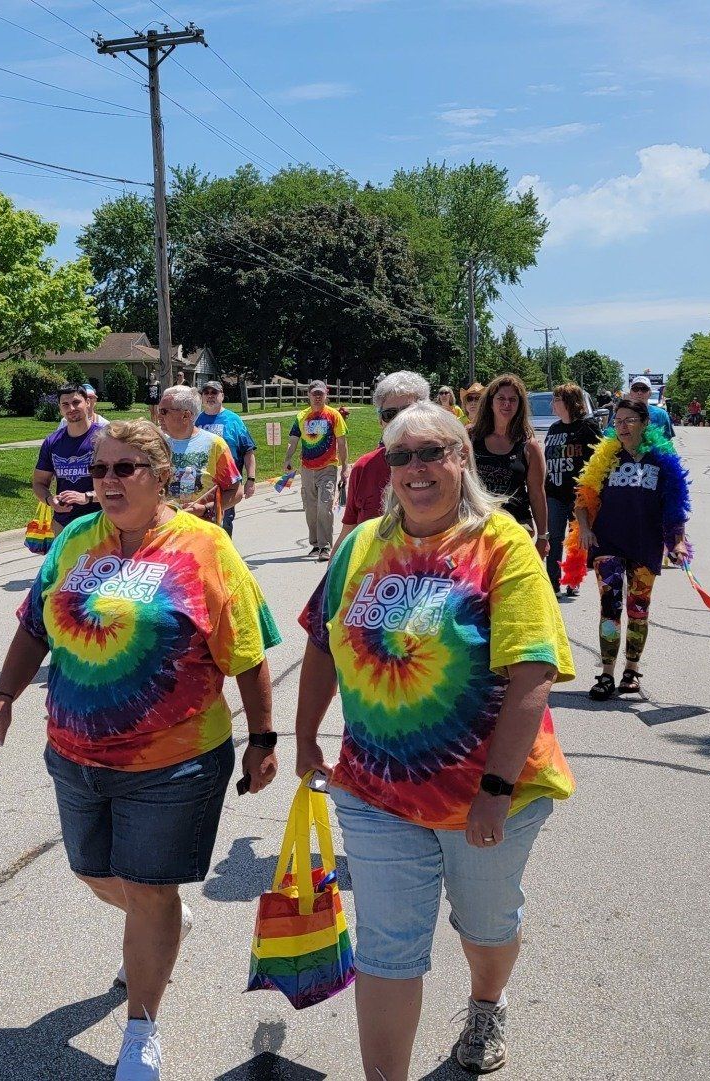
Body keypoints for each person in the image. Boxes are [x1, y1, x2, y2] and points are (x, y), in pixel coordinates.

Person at [0, 419, 280, 1081]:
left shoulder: (204, 548)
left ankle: (141, 1028)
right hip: (76, 752)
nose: (106, 481)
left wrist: (262, 739)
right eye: (99, 468)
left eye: (123, 469)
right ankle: (166, 916)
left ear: (160, 474)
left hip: (175, 763)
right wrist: (3, 695)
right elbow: (35, 626)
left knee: (148, 890)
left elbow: (248, 653)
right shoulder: (75, 541)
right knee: (91, 869)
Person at [294, 402, 575, 1080]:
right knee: (386, 950)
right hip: (376, 789)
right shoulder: (361, 544)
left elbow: (532, 673)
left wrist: (496, 791)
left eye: (432, 453)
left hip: (486, 791)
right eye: (401, 456)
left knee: (486, 925)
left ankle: (487, 998)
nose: (416, 469)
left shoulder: (500, 544)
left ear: (461, 459)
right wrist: (304, 736)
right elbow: (321, 642)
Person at [575, 398, 691, 700]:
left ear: (644, 423)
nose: (622, 426)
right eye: (618, 421)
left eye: (629, 420)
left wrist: (676, 542)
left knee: (638, 609)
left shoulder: (661, 461)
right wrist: (585, 529)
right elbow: (584, 499)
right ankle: (606, 674)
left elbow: (674, 507)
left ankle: (631, 670)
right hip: (607, 542)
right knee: (609, 608)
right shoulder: (606, 457)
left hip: (645, 543)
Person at [335, 371, 429, 552]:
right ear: (380, 420)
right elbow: (348, 533)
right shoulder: (364, 467)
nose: (399, 420)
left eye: (408, 411)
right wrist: (331, 578)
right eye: (390, 414)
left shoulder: (443, 464)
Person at [469, 374, 550, 550]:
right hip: (477, 526)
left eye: (513, 399)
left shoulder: (528, 445)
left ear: (520, 405)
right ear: (490, 402)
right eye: (501, 398)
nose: (507, 404)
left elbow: (537, 493)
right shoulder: (470, 437)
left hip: (517, 527)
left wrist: (543, 536)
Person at [543, 382, 604, 597]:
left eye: (557, 399)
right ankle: (552, 583)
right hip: (554, 492)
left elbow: (600, 459)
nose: (553, 404)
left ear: (570, 402)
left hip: (579, 494)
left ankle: (573, 580)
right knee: (554, 538)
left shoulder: (587, 427)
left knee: (577, 539)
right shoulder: (554, 428)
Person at [156, 385, 240, 526]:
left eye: (164, 412)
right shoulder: (157, 444)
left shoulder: (215, 445)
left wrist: (206, 509)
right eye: (159, 411)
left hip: (202, 532)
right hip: (164, 530)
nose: (159, 416)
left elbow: (236, 491)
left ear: (186, 415)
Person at [283, 380, 348, 561]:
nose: (318, 397)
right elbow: (293, 440)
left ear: (326, 395)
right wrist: (288, 458)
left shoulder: (334, 416)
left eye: (321, 394)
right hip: (307, 469)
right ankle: (315, 544)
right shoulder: (301, 416)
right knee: (310, 508)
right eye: (314, 394)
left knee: (325, 505)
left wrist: (344, 468)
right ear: (309, 395)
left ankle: (326, 546)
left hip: (328, 467)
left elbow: (342, 443)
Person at [34, 384, 103, 533]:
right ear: (60, 408)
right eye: (65, 404)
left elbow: (120, 483)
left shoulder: (105, 438)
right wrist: (50, 501)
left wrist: (87, 497)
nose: (71, 408)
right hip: (64, 525)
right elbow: (39, 483)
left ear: (88, 403)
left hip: (101, 522)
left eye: (76, 402)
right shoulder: (52, 442)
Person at [193, 379, 258, 535]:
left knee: (223, 524)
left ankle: (223, 556)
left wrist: (251, 480)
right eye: (206, 393)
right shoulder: (195, 421)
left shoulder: (233, 420)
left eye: (214, 392)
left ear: (222, 395)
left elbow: (248, 451)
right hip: (200, 484)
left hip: (227, 485)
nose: (210, 396)